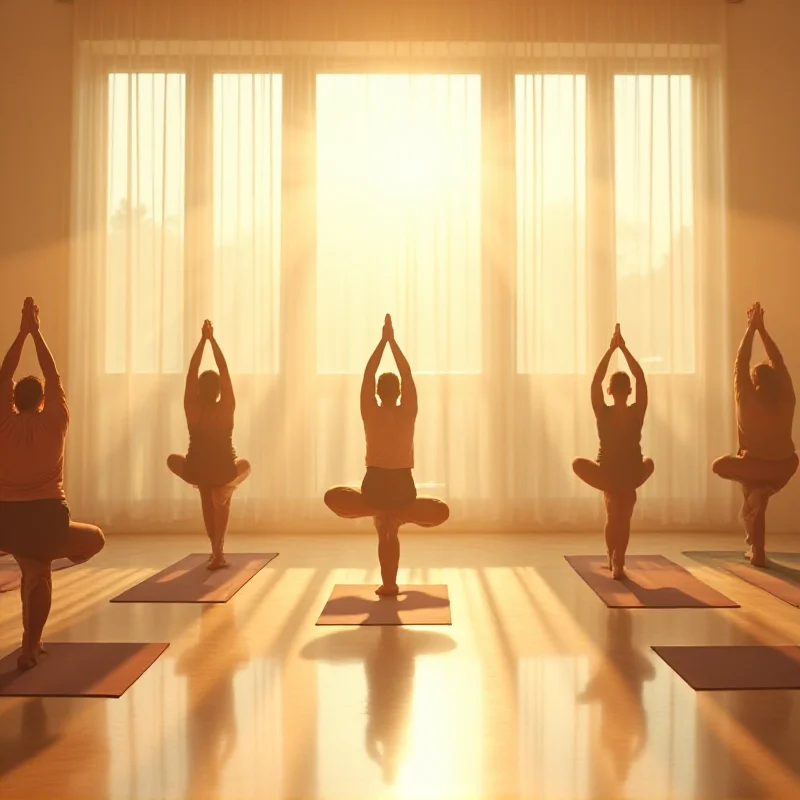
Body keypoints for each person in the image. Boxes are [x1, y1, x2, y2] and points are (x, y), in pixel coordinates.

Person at [0, 298, 105, 670]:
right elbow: (53, 374)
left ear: (12, 399)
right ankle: (30, 646)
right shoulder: (55, 420)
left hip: (6, 521)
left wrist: (22, 332)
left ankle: (33, 639)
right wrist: (36, 331)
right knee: (92, 540)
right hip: (46, 518)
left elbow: (4, 373)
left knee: (33, 567)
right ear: (44, 400)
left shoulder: (4, 422)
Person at [324, 314, 449, 596]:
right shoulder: (408, 413)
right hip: (404, 489)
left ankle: (379, 515)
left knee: (365, 513)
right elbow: (407, 375)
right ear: (401, 392)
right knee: (424, 514)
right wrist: (393, 343)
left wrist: (382, 342)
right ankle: (396, 518)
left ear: (378, 393)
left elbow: (368, 375)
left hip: (375, 489)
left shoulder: (370, 412)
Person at [712, 303, 797, 567]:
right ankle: (757, 549)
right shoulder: (787, 398)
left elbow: (741, 361)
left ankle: (757, 500)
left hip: (753, 465)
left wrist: (751, 328)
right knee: (758, 490)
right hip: (785, 467)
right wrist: (763, 331)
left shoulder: (746, 398)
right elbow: (779, 362)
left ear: (755, 382)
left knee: (721, 466)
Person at [572, 325, 655, 579]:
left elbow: (595, 381)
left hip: (607, 473)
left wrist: (611, 350)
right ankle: (619, 560)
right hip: (630, 475)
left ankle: (613, 558)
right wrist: (625, 350)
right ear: (628, 391)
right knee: (626, 511)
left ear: (610, 391)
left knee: (611, 510)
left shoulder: (603, 413)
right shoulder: (636, 412)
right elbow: (640, 378)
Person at [167, 320, 250, 570]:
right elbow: (223, 371)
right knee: (240, 470)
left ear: (198, 391)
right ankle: (218, 551)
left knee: (184, 470)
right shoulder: (226, 408)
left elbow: (192, 372)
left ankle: (215, 550)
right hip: (223, 468)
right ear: (219, 390)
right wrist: (212, 340)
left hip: (197, 468)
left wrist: (201, 342)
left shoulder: (192, 409)